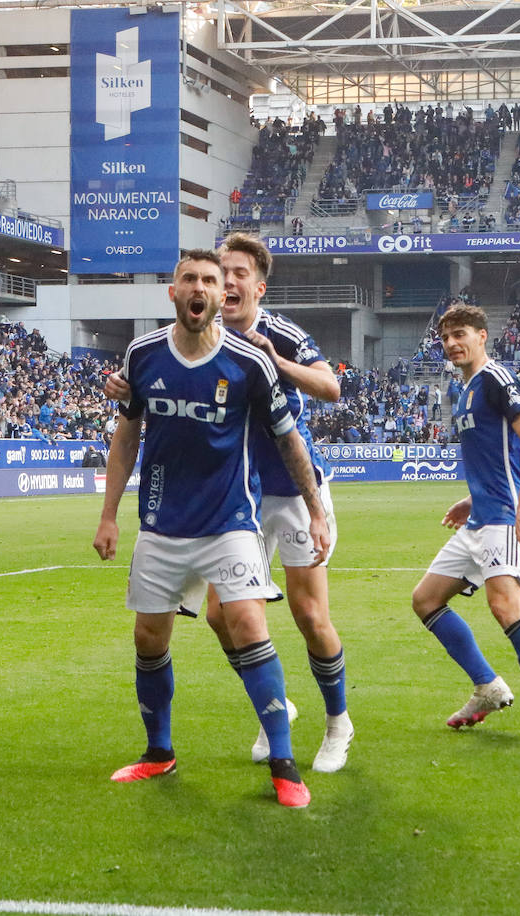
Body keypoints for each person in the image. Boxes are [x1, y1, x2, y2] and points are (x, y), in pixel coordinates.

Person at [106, 234, 354, 774]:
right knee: (221, 614)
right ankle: (276, 705)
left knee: (309, 613)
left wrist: (277, 362)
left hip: (287, 488)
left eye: (236, 272)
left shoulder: (277, 337)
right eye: (221, 271)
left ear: (255, 287)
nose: (227, 281)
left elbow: (332, 388)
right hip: (232, 495)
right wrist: (127, 393)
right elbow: (144, 402)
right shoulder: (170, 346)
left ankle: (338, 722)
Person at [408, 304, 520, 746]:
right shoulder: (462, 389)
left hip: (506, 516)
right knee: (426, 599)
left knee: (505, 607)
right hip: (483, 515)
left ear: (482, 336)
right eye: (445, 338)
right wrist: (471, 499)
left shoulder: (495, 379)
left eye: (460, 334)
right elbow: (493, 456)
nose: (452, 344)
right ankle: (487, 686)